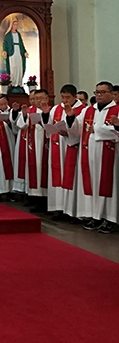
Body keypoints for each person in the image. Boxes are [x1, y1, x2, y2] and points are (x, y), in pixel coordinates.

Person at [69, 81, 119, 234]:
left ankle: (109, 218)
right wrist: (70, 118)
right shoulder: (88, 110)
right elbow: (77, 128)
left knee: (109, 185)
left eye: (103, 92)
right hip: (89, 153)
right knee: (92, 183)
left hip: (110, 155)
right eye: (97, 92)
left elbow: (116, 131)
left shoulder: (117, 110)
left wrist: (98, 129)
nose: (99, 95)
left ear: (111, 94)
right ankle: (95, 215)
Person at [40, 84, 85, 219]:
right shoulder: (56, 108)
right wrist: (45, 114)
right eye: (62, 97)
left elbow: (80, 128)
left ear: (75, 97)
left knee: (72, 178)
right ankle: (59, 208)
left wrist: (69, 130)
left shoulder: (82, 109)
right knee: (57, 176)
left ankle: (71, 211)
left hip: (73, 147)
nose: (64, 100)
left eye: (67, 97)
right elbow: (48, 124)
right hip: (57, 146)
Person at [16, 89, 49, 211]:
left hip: (45, 145)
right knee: (34, 171)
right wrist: (25, 116)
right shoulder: (31, 110)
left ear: (47, 98)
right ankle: (35, 200)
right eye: (36, 98)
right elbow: (21, 125)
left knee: (44, 171)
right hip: (33, 145)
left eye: (41, 98)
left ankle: (46, 201)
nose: (38, 101)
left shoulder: (51, 110)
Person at [2, 19, 29, 89]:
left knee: (19, 66)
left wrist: (24, 52)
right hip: (12, 52)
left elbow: (21, 44)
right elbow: (5, 44)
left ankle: (19, 82)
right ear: (11, 25)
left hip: (18, 51)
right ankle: (13, 82)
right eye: (14, 24)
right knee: (13, 67)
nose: (15, 26)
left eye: (16, 25)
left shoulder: (18, 34)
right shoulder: (8, 35)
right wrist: (5, 51)